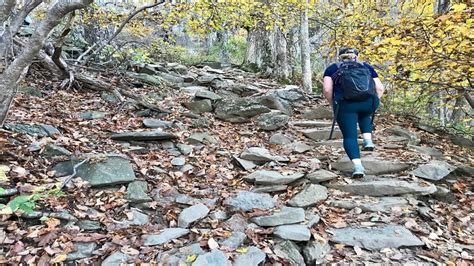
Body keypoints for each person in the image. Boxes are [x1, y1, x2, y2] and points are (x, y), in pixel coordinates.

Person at [322, 48, 385, 178]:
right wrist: (375, 102)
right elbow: (380, 88)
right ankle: (368, 141)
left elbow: (327, 90)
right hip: (368, 102)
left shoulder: (332, 68)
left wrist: (332, 103)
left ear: (340, 57)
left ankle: (358, 167)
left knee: (350, 137)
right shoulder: (366, 66)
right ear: (356, 56)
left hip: (345, 105)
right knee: (364, 114)